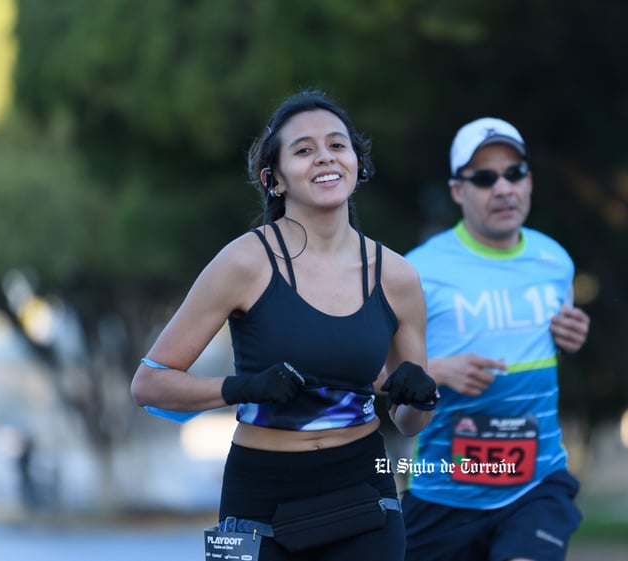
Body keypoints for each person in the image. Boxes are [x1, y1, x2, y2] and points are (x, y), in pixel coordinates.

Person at [130, 90, 438, 561]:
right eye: (303, 150)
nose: (325, 158)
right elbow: (149, 384)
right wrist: (244, 387)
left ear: (357, 164)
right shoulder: (244, 263)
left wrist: (421, 395)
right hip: (261, 498)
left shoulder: (396, 277)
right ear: (274, 180)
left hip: (363, 493)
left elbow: (408, 421)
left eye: (337, 145)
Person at [401, 117, 590, 561]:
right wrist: (435, 372)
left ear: (529, 182)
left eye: (514, 173)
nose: (504, 188)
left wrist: (572, 337)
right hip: (444, 490)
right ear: (457, 191)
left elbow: (550, 342)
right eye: (485, 178)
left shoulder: (555, 261)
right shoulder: (417, 271)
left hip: (536, 484)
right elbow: (374, 371)